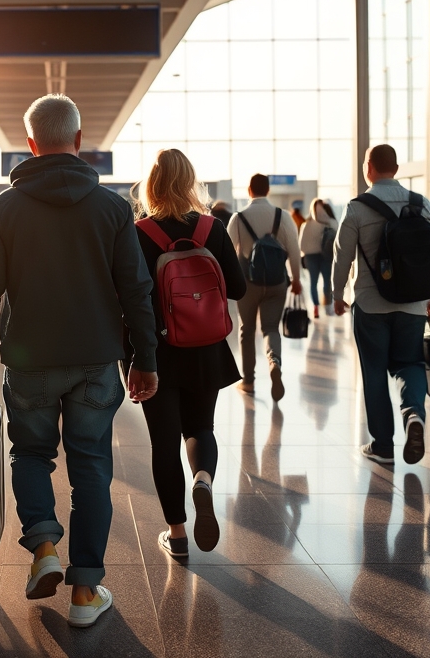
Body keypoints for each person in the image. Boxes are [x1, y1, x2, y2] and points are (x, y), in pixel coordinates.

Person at [0, 93, 157, 629]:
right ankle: (85, 593)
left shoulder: (6, 207)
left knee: (31, 456)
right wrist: (145, 358)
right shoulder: (113, 207)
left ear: (29, 145)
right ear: (77, 140)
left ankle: (44, 545)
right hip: (97, 360)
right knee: (91, 466)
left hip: (30, 361)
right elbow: (136, 289)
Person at [131, 149, 245, 559]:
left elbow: (132, 299)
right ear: (190, 181)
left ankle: (177, 535)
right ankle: (203, 479)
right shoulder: (213, 228)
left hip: (158, 352)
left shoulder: (141, 232)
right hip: (206, 348)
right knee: (201, 428)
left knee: (163, 443)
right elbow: (238, 288)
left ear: (152, 184)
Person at [332, 144, 430, 464]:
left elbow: (341, 256)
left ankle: (383, 445)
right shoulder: (420, 203)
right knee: (409, 363)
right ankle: (414, 414)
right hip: (413, 304)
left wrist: (337, 293)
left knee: (374, 371)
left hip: (370, 304)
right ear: (396, 169)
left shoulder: (356, 207)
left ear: (368, 167)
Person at [226, 174, 302, 400]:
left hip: (248, 284)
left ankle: (248, 382)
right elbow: (295, 251)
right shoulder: (283, 216)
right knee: (270, 328)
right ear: (268, 190)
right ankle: (274, 360)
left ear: (249, 190)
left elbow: (229, 254)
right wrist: (296, 279)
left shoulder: (238, 218)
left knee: (246, 330)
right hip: (277, 281)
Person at [298, 197, 338, 319]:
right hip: (326, 256)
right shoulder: (331, 222)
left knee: (313, 283)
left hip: (310, 257)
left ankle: (316, 308)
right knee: (327, 282)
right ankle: (328, 308)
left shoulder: (306, 224)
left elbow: (301, 245)